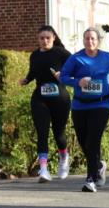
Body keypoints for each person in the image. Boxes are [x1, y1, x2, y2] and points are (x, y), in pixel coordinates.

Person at [59, 27, 109, 193]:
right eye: (87, 38)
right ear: (83, 40)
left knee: (93, 140)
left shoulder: (107, 57)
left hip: (101, 104)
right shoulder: (76, 58)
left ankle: (91, 179)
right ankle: (99, 165)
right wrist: (78, 82)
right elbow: (64, 77)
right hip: (80, 104)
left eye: (93, 39)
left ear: (98, 41)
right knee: (83, 141)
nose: (90, 41)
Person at [19, 25, 72, 182]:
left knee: (58, 133)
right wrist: (26, 80)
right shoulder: (35, 55)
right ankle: (44, 170)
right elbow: (33, 72)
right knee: (42, 132)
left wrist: (63, 75)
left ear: (53, 38)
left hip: (60, 98)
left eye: (48, 38)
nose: (44, 41)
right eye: (41, 38)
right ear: (38, 39)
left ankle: (64, 158)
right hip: (40, 97)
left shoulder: (61, 53)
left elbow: (75, 69)